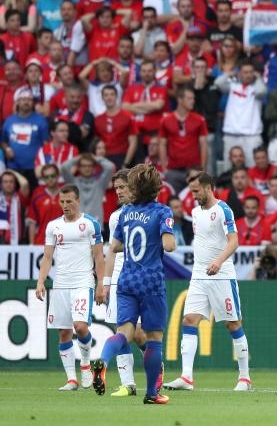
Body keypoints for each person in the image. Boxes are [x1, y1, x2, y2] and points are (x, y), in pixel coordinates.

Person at [92, 163, 175, 405]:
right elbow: (169, 246)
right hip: (151, 281)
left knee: (124, 332)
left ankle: (103, 361)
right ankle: (151, 394)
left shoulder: (125, 214)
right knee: (154, 338)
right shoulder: (162, 212)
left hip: (126, 280)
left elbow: (115, 247)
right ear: (156, 188)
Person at [163, 172, 250, 392]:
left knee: (233, 324)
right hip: (199, 276)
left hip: (221, 275)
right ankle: (186, 377)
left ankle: (245, 378)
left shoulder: (223, 210)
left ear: (209, 187)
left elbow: (234, 241)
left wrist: (219, 261)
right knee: (189, 320)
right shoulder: (194, 212)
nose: (193, 196)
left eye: (196, 191)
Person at [35, 184, 104, 391]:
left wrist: (101, 284)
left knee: (80, 327)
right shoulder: (53, 226)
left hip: (83, 282)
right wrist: (41, 281)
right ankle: (71, 379)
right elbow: (47, 257)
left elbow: (99, 257)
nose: (65, 206)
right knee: (64, 332)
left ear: (78, 201)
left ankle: (85, 363)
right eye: (62, 202)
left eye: (69, 201)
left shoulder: (91, 224)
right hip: (61, 283)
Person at [102, 170, 147, 397]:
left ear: (133, 187)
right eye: (116, 188)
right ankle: (128, 384)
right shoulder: (115, 217)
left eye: (122, 187)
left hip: (142, 277)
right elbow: (112, 252)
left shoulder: (149, 212)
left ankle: (152, 357)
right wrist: (106, 283)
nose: (118, 192)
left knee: (138, 332)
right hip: (120, 277)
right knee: (120, 329)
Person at [158, 87, 209, 193]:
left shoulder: (199, 120)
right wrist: (164, 168)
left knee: (196, 201)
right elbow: (162, 144)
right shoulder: (166, 120)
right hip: (173, 170)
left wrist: (202, 168)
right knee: (173, 200)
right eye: (189, 99)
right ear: (180, 100)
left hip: (194, 170)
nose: (193, 101)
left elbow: (203, 144)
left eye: (193, 98)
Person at [61, 154, 116, 222]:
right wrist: (79, 158)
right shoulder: (73, 182)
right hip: (77, 224)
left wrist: (95, 158)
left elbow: (110, 167)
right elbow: (64, 167)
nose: (87, 168)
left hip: (95, 225)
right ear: (79, 168)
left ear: (94, 168)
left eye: (89, 166)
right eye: (84, 166)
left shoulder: (100, 183)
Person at [25, 164, 63, 245]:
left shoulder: (66, 194)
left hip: (63, 244)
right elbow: (32, 222)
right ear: (43, 179)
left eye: (52, 176)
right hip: (41, 242)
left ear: (58, 176)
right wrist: (31, 244)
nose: (50, 179)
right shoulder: (37, 194)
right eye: (47, 177)